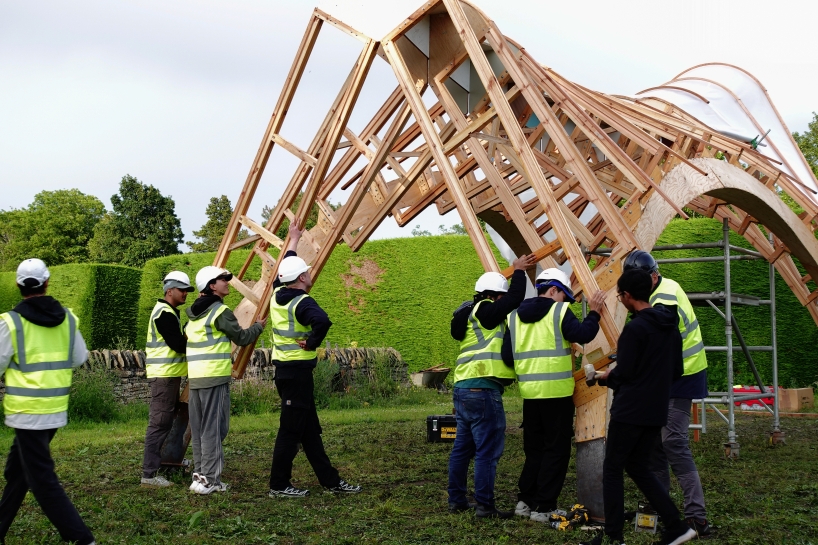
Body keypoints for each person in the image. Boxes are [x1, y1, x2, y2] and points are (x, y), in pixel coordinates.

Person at [580, 269, 695, 545]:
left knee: (612, 468)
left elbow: (625, 373)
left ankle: (613, 537)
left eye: (620, 296)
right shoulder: (670, 327)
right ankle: (677, 526)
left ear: (628, 295)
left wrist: (607, 377)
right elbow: (676, 370)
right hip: (656, 409)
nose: (620, 300)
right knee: (638, 467)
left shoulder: (635, 329)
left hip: (630, 410)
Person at [0, 259, 96, 545]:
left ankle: (82, 539)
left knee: (42, 481)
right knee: (17, 472)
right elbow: (80, 358)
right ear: (47, 282)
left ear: (18, 286)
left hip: (25, 412)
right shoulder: (67, 318)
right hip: (54, 411)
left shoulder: (11, 322)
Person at [501, 268, 605, 523]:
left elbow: (506, 357)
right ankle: (544, 507)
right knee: (556, 451)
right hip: (557, 395)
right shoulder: (558, 311)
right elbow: (583, 334)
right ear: (554, 290)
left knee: (534, 450)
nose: (564, 301)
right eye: (564, 295)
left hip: (530, 395)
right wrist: (594, 313)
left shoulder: (514, 317)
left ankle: (525, 502)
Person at [268, 221, 361, 498]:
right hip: (297, 374)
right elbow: (323, 321)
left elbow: (286, 264)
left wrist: (293, 239)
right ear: (300, 280)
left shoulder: (277, 294)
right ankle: (278, 485)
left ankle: (331, 482)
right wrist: (311, 342)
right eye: (307, 273)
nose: (310, 275)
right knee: (290, 432)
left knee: (309, 432)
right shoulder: (303, 302)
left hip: (286, 372)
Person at [623, 250, 711, 538]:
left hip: (683, 375)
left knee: (673, 442)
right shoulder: (655, 292)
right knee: (655, 444)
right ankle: (660, 505)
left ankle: (696, 517)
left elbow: (659, 333)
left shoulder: (666, 295)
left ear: (653, 276)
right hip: (669, 376)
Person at [447, 254, 538, 519]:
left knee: (462, 449)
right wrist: (519, 271)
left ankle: (457, 500)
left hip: (463, 388)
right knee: (487, 451)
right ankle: (485, 506)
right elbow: (514, 300)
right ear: (495, 295)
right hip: (483, 389)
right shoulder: (486, 310)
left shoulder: (467, 314)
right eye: (502, 297)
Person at [186, 265, 266, 494]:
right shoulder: (219, 312)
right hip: (214, 377)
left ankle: (199, 476)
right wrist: (258, 327)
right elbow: (241, 338)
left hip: (197, 378)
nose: (227, 283)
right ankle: (210, 480)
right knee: (214, 429)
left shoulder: (193, 314)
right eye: (223, 279)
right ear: (212, 286)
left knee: (200, 429)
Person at [140, 270, 195, 487]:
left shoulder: (169, 312)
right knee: (160, 423)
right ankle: (149, 474)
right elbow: (179, 345)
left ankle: (158, 467)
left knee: (162, 423)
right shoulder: (164, 313)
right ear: (169, 290)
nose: (185, 294)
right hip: (164, 376)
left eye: (187, 290)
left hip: (168, 376)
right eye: (182, 290)